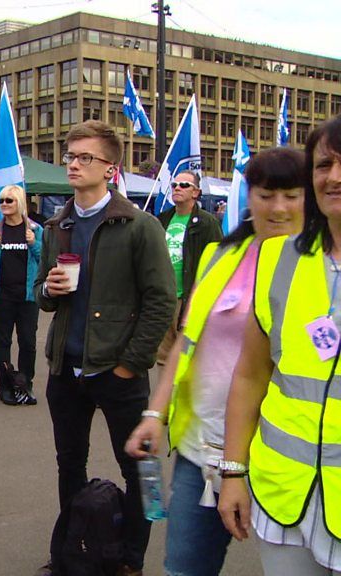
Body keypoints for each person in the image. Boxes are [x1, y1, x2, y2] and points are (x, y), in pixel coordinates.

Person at [123, 147, 307, 575]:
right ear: (250, 196)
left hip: (287, 459)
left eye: (292, 195)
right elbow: (188, 343)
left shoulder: (322, 268)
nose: (278, 208)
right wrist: (155, 413)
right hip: (203, 448)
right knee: (184, 568)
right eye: (266, 195)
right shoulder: (220, 256)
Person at [34, 120, 176, 576]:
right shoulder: (57, 225)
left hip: (117, 371)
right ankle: (72, 552)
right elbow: (41, 294)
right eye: (70, 156)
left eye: (85, 157)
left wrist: (129, 365)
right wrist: (49, 289)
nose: (73, 164)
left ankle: (131, 560)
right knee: (69, 465)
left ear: (110, 169)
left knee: (138, 469)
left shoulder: (139, 226)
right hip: (66, 368)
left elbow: (161, 302)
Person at [218, 117, 341, 575]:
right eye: (324, 165)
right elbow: (251, 374)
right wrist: (233, 471)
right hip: (284, 494)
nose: (334, 177)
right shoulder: (277, 257)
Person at [0, 184, 43, 406]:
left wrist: (33, 244)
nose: (4, 204)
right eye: (1, 201)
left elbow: (46, 259)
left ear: (20, 203)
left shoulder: (35, 230)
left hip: (27, 297)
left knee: (28, 343)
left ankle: (25, 384)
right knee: (3, 342)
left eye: (9, 200)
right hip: (1, 297)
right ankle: (5, 385)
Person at [156, 170, 223, 364]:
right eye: (174, 185)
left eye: (184, 185)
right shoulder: (162, 219)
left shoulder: (207, 223)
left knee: (188, 358)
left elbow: (215, 263)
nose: (177, 188)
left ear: (196, 192)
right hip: (163, 299)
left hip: (187, 299)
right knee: (161, 358)